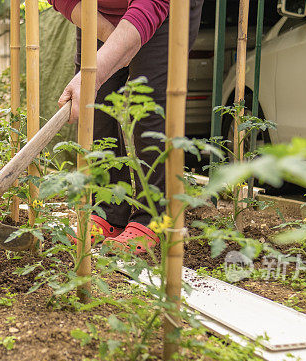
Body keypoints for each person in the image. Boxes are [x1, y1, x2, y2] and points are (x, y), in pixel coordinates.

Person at [50, 0, 204, 253]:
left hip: (164, 8)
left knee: (150, 107)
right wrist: (115, 45)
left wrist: (126, 47)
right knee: (96, 106)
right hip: (94, 9)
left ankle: (154, 217)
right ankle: (109, 210)